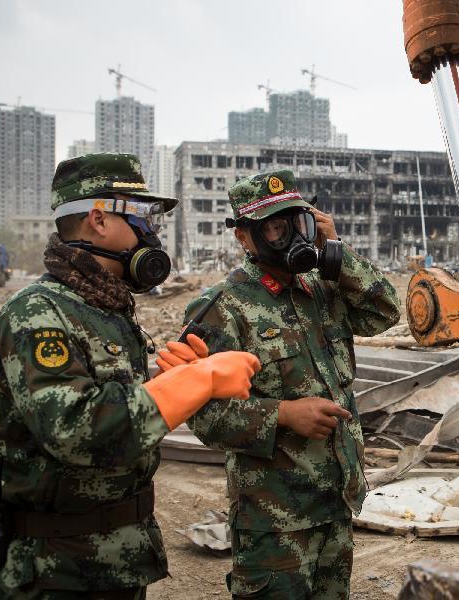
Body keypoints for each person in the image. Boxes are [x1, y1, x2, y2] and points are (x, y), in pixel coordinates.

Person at [0, 153, 261, 599]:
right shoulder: (38, 314)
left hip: (118, 561)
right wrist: (200, 380)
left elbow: (113, 404)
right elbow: (75, 430)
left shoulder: (101, 307)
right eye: (143, 215)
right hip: (59, 569)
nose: (152, 231)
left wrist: (167, 379)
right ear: (98, 218)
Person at [157, 170, 401, 599]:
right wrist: (284, 415)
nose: (285, 236)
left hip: (336, 502)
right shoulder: (222, 308)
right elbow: (200, 413)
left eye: (293, 222)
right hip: (275, 517)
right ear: (244, 239)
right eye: (271, 228)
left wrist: (337, 253)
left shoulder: (322, 288)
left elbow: (386, 312)